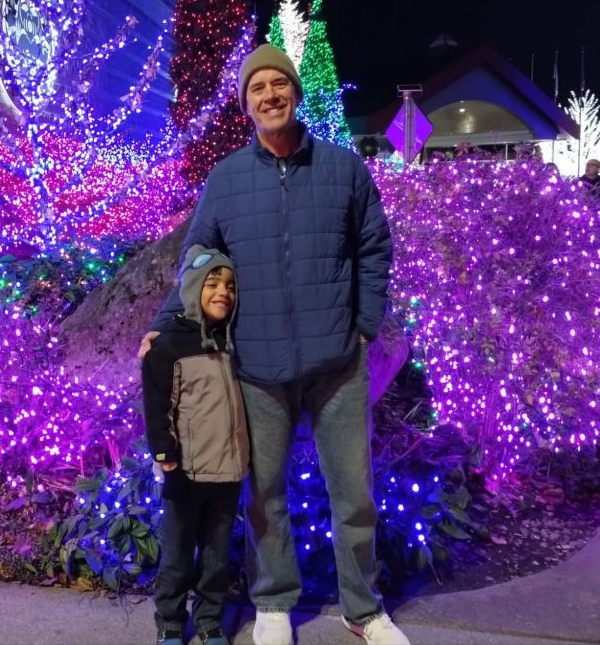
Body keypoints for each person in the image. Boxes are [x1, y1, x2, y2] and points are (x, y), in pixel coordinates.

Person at [139, 44, 409, 645]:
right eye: (257, 87)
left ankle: (363, 609)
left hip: (338, 363)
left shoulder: (344, 170)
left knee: (354, 494)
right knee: (264, 494)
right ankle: (273, 601)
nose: (269, 95)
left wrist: (365, 322)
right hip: (257, 366)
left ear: (294, 92)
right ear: (246, 103)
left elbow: (374, 247)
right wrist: (165, 323)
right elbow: (196, 259)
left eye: (278, 83)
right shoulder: (228, 179)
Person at [143, 245, 249, 645]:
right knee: (177, 553)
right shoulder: (168, 346)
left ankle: (209, 620)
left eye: (230, 286)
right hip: (185, 471)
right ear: (191, 288)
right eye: (212, 283)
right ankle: (170, 621)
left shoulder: (231, 343)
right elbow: (157, 405)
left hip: (228, 472)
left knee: (216, 556)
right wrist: (163, 451)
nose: (223, 292)